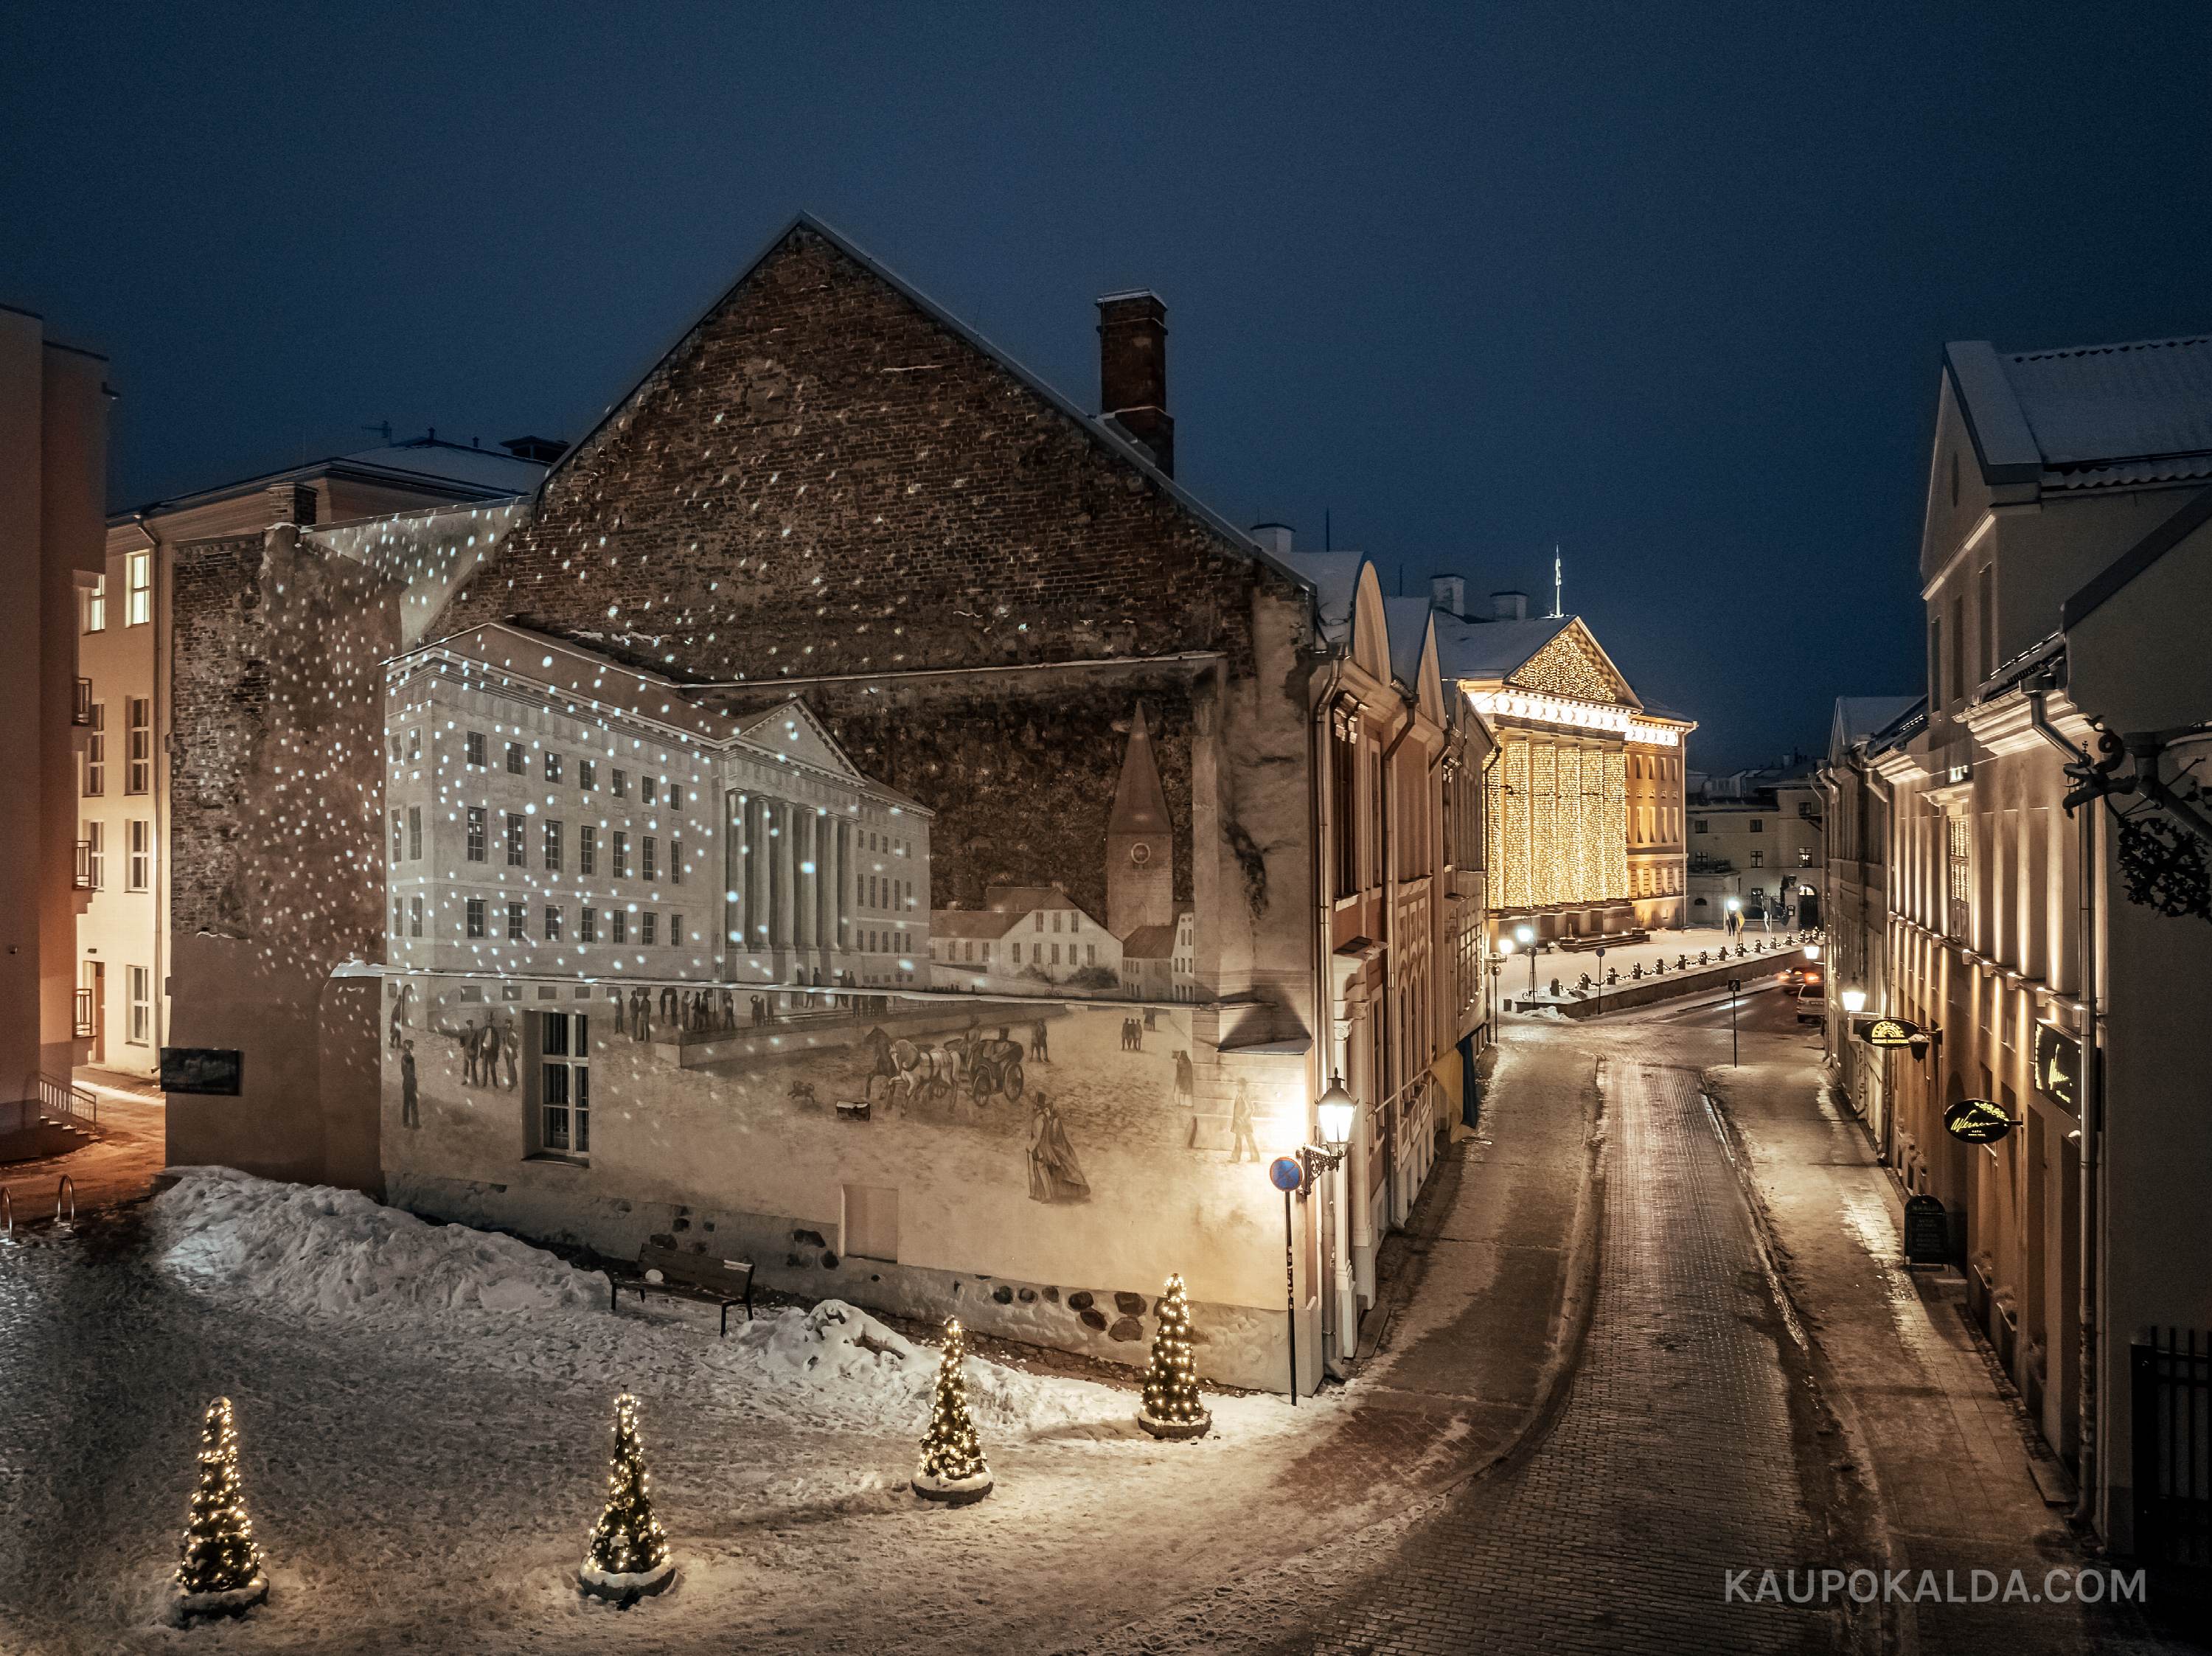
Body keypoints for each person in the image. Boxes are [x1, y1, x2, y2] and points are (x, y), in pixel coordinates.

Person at [1026, 1093, 1091, 1203]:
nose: (1033, 1107)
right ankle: (1039, 1194)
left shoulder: (1041, 1120)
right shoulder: (1043, 1119)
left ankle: (1047, 1195)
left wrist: (1030, 1147)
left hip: (1041, 1149)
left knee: (1041, 1170)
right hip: (1042, 1148)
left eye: (1035, 1105)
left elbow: (1039, 1137)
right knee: (1039, 1170)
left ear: (1038, 1106)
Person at [1229, 1077, 1260, 1163]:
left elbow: (1250, 1109)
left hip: (1244, 1123)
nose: (1238, 1088)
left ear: (1243, 1087)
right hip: (1240, 1123)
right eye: (1237, 1086)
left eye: (1239, 1086)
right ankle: (1253, 1158)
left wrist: (1242, 1118)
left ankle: (1239, 1158)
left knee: (1246, 1139)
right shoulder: (1239, 1095)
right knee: (1241, 1139)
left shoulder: (1245, 1095)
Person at [400, 1041, 420, 1128]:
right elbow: (410, 1072)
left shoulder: (403, 1057)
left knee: (406, 1104)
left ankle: (405, 1123)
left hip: (405, 1084)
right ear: (410, 1048)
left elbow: (404, 1072)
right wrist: (414, 1084)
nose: (413, 1049)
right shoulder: (410, 1059)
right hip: (411, 1085)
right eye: (412, 1047)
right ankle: (415, 1125)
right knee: (414, 1105)